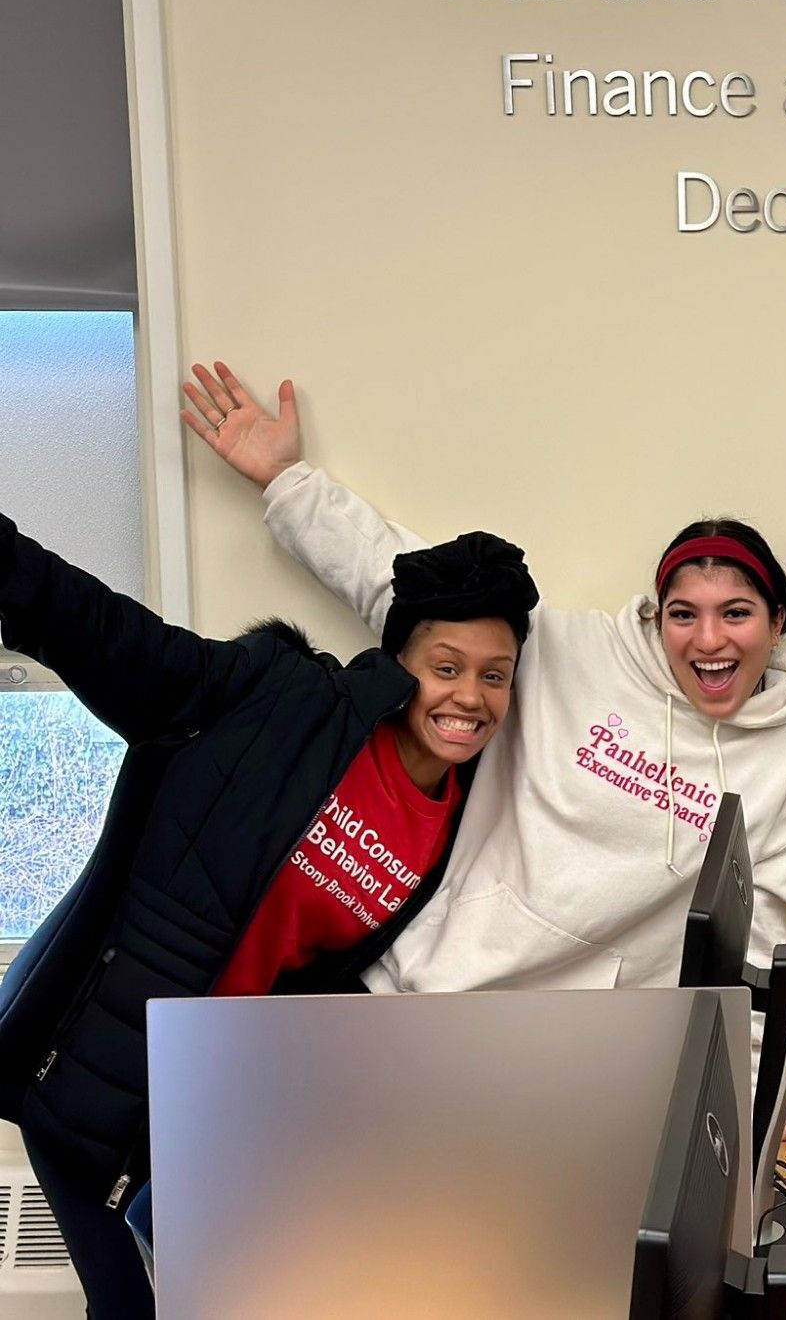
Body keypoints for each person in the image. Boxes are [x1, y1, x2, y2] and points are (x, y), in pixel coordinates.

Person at [0, 511, 537, 1316]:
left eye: (494, 675)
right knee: (126, 1306)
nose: (469, 696)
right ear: (400, 663)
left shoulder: (455, 812)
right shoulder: (281, 702)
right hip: (90, 1061)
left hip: (202, 1094)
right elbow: (102, 631)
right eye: (447, 666)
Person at [178, 361, 786, 1004]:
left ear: (777, 622)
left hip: (579, 1053)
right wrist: (288, 482)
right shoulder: (571, 653)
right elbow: (401, 582)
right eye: (684, 615)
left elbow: (766, 947)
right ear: (659, 617)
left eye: (737, 614)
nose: (710, 640)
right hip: (415, 991)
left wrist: (746, 1104)